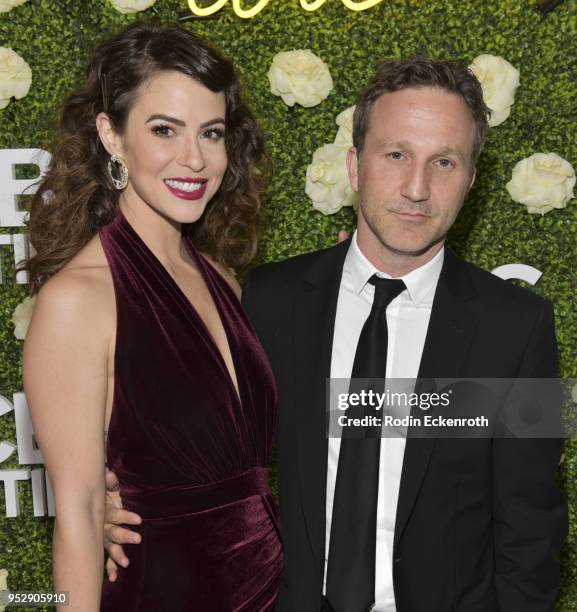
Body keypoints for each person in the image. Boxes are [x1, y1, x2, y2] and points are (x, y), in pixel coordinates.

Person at [105, 58, 568, 611]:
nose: (417, 188)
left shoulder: (518, 326)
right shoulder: (265, 301)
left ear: (470, 180)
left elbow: (532, 528)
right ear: (355, 165)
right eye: (396, 154)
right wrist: (117, 504)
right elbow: (193, 447)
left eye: (444, 162)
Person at [22, 22, 281, 612]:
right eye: (164, 129)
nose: (194, 158)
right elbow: (83, 517)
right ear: (112, 136)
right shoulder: (77, 301)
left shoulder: (222, 280)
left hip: (268, 589)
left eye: (210, 133)